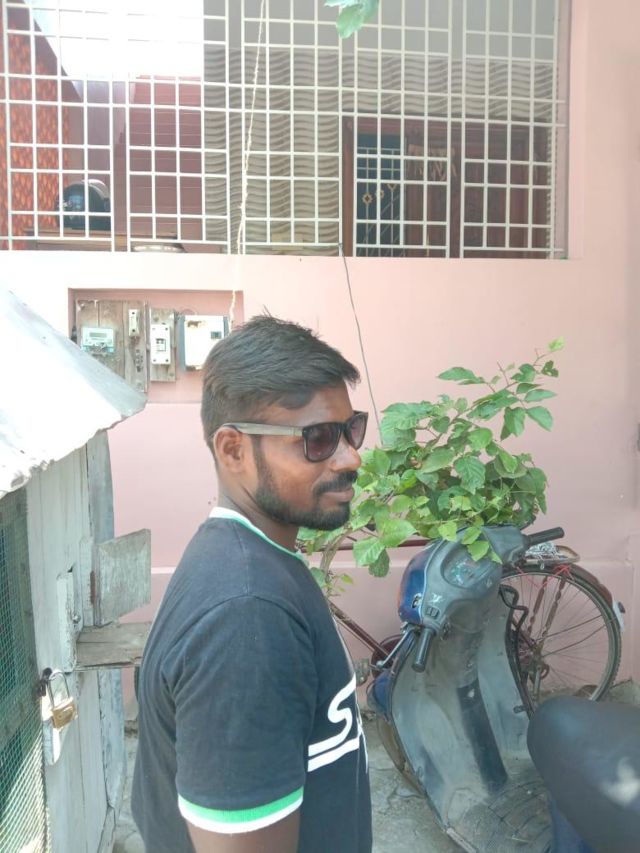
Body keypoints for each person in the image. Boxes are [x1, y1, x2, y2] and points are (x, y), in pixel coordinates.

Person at [132, 315, 372, 853]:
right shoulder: (246, 617)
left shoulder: (254, 558)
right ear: (233, 450)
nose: (351, 456)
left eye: (350, 429)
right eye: (318, 439)